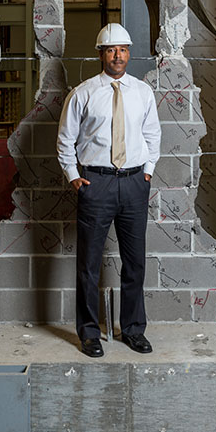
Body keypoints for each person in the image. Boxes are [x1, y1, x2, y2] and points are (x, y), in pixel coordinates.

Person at [56, 23, 161, 358]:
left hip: (133, 184)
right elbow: (64, 140)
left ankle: (132, 330)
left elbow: (152, 136)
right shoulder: (83, 93)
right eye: (112, 50)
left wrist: (146, 173)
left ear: (129, 53)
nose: (118, 56)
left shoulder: (143, 93)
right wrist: (74, 176)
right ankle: (89, 333)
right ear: (101, 54)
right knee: (88, 263)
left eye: (124, 49)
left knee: (135, 263)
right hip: (96, 183)